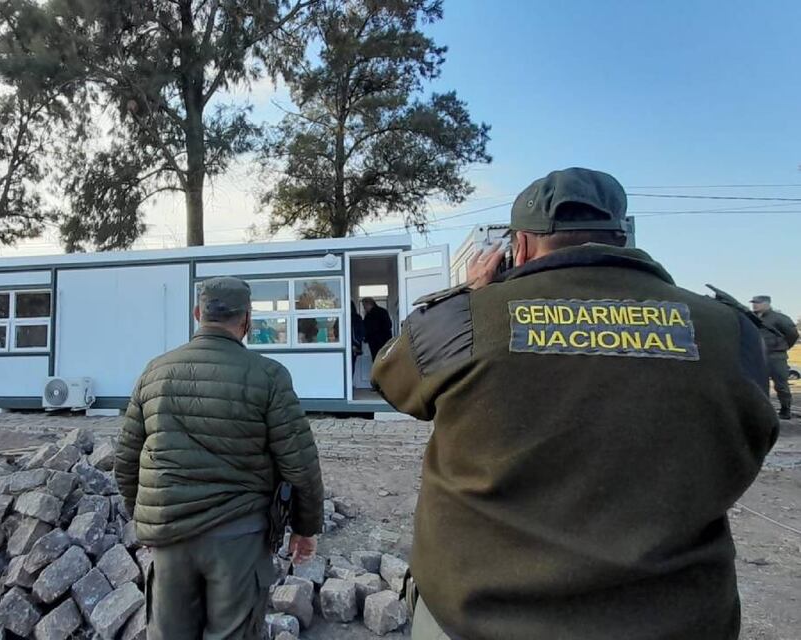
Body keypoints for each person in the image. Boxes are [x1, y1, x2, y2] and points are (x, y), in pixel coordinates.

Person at [372, 167, 780, 640]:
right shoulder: (728, 329)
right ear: (622, 237)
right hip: (677, 622)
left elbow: (392, 378)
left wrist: (471, 293)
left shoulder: (465, 320)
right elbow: (754, 437)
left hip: (480, 621)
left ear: (518, 246)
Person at [115, 277, 325, 639]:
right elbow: (300, 465)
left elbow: (126, 461)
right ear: (246, 321)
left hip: (169, 538)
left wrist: (147, 519)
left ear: (198, 314)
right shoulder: (269, 376)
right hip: (239, 540)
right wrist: (305, 529)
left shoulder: (155, 372)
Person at [751, 295, 798, 419]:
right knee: (759, 384)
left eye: (758, 302)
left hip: (776, 356)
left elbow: (792, 334)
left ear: (767, 303)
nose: (755, 305)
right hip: (758, 356)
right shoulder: (751, 318)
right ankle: (763, 410)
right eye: (754, 302)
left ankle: (785, 409)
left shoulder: (779, 318)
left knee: (781, 385)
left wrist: (782, 346)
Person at [350, 299, 365, 372]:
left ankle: (349, 381)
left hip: (351, 345)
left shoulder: (355, 318)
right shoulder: (358, 317)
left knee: (348, 364)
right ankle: (350, 381)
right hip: (355, 345)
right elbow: (362, 332)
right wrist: (357, 342)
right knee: (352, 364)